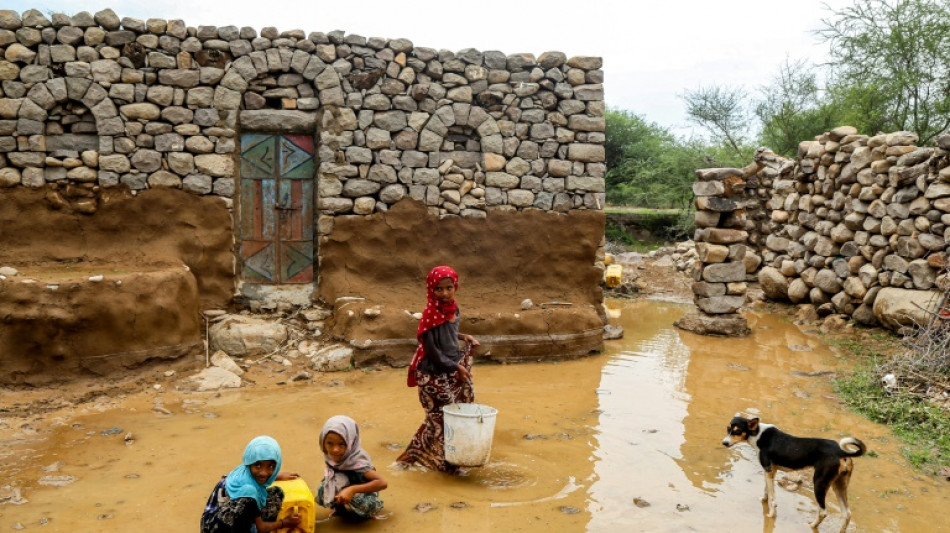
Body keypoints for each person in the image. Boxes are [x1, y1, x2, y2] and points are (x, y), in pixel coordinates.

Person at [396, 265, 480, 473]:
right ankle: (448, 465)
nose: (444, 293)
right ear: (431, 290)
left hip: (449, 369)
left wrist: (464, 337)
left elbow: (450, 332)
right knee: (442, 419)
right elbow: (431, 349)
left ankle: (411, 457)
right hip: (432, 374)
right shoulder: (430, 314)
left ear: (455, 287)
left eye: (449, 287)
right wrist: (456, 367)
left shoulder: (453, 307)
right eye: (439, 289)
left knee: (443, 418)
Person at [200, 435, 302, 533]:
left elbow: (261, 474)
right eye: (258, 465)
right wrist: (285, 522)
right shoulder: (248, 492)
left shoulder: (243, 471)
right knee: (251, 503)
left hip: (231, 514)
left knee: (276, 493)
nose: (263, 473)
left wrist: (277, 476)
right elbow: (261, 528)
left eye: (270, 467)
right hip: (214, 527)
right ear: (250, 463)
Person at [317, 415, 387, 520]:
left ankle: (370, 512)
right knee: (324, 488)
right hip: (346, 487)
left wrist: (352, 490)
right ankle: (340, 510)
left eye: (341, 444)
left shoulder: (358, 461)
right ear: (323, 442)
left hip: (363, 492)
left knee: (364, 505)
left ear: (350, 443)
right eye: (330, 443)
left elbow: (382, 483)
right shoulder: (332, 457)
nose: (335, 449)